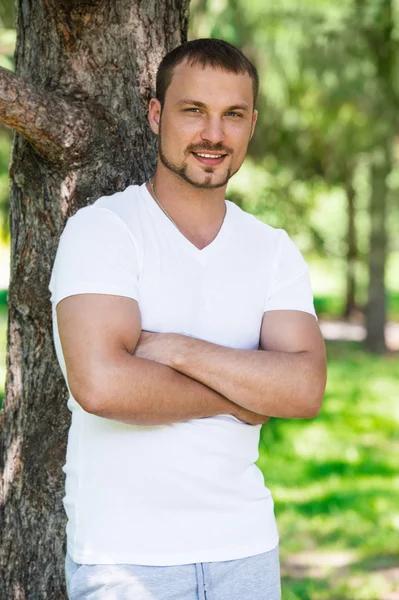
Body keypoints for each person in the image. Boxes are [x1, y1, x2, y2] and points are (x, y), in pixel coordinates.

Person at [49, 38, 326, 600]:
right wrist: (244, 395)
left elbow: (303, 389)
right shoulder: (104, 230)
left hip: (246, 552)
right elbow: (103, 386)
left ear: (252, 125)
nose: (213, 134)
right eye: (193, 110)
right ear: (157, 115)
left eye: (233, 115)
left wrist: (177, 349)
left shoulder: (271, 250)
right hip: (125, 563)